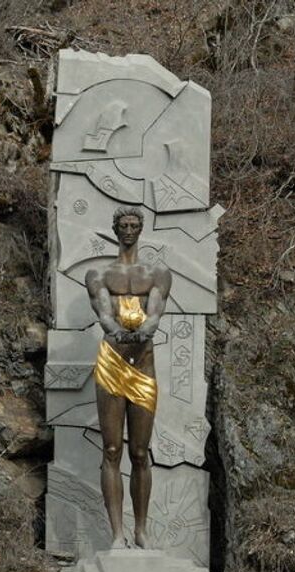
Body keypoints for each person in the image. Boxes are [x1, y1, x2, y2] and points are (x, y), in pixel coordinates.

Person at [85, 206, 172, 549]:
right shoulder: (99, 273)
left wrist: (143, 330)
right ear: (115, 228)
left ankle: (141, 530)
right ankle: (117, 534)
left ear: (142, 229)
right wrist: (117, 330)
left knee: (139, 451)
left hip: (143, 363)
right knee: (111, 448)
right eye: (124, 224)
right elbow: (104, 312)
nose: (130, 230)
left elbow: (156, 313)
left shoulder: (158, 274)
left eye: (135, 225)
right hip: (112, 362)